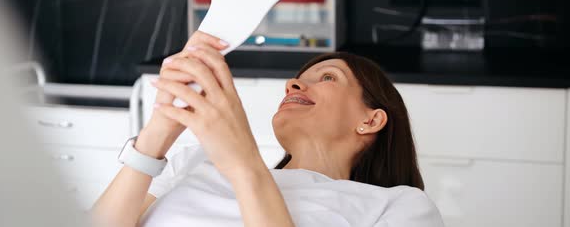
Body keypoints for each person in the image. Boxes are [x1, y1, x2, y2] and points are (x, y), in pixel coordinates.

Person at [92, 31, 444, 227]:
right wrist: (159, 132)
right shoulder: (194, 162)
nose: (293, 84)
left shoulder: (399, 206)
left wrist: (244, 165)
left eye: (327, 77)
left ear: (371, 120)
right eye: (296, 80)